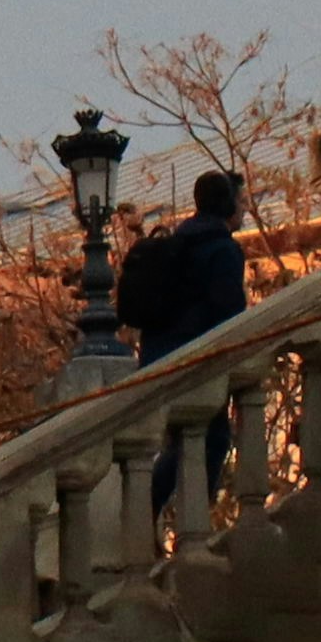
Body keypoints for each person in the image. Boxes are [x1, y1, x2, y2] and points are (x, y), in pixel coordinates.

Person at [112, 168, 250, 518]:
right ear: (228, 205)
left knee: (186, 439)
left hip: (158, 355)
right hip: (193, 359)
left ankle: (153, 510)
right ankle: (182, 515)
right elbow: (230, 312)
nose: (246, 209)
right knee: (214, 436)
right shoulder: (221, 250)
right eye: (243, 201)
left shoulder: (178, 241)